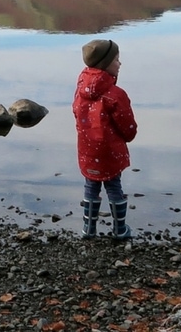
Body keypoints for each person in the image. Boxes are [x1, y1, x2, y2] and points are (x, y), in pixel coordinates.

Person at [73, 39, 137, 240]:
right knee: (114, 187)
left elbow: (76, 113)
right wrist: (130, 135)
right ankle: (120, 230)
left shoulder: (81, 89)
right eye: (116, 60)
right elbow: (128, 127)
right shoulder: (115, 94)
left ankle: (88, 230)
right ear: (105, 64)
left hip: (87, 149)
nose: (120, 64)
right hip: (110, 152)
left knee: (91, 187)